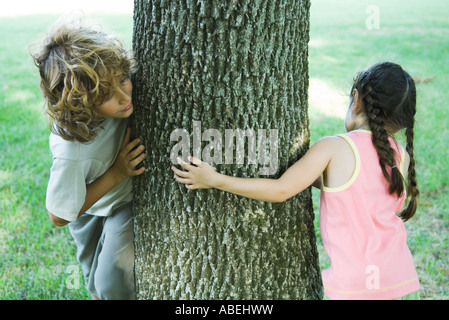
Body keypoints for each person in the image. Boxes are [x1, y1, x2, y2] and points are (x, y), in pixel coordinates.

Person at [172, 62, 421, 300]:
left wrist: (215, 179)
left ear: (355, 99)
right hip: (403, 278)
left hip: (356, 289)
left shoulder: (334, 148)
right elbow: (356, 191)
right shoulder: (402, 157)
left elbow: (281, 190)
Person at [32, 18, 146, 300]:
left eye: (122, 78)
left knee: (111, 283)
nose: (124, 96)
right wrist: (117, 173)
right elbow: (59, 215)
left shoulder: (121, 91)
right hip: (86, 210)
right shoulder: (73, 150)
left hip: (123, 202)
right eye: (107, 94)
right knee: (93, 285)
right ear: (80, 102)